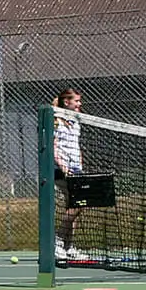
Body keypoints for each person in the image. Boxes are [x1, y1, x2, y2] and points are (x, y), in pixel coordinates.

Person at [51, 88, 91, 263]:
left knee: (75, 205)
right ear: (66, 102)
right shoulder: (55, 121)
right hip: (60, 170)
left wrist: (79, 166)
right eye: (76, 101)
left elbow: (76, 145)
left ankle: (68, 247)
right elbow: (54, 146)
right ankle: (58, 242)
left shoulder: (75, 122)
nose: (79, 104)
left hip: (76, 169)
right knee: (77, 204)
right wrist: (64, 167)